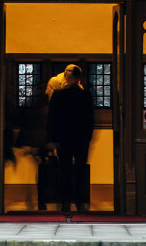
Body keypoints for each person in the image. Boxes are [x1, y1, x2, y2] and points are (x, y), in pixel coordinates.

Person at [45, 63, 95, 218]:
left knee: (65, 170)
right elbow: (90, 120)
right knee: (80, 170)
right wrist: (88, 137)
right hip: (80, 139)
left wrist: (52, 138)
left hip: (63, 138)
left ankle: (66, 202)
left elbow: (52, 118)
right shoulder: (85, 95)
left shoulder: (58, 95)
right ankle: (80, 203)